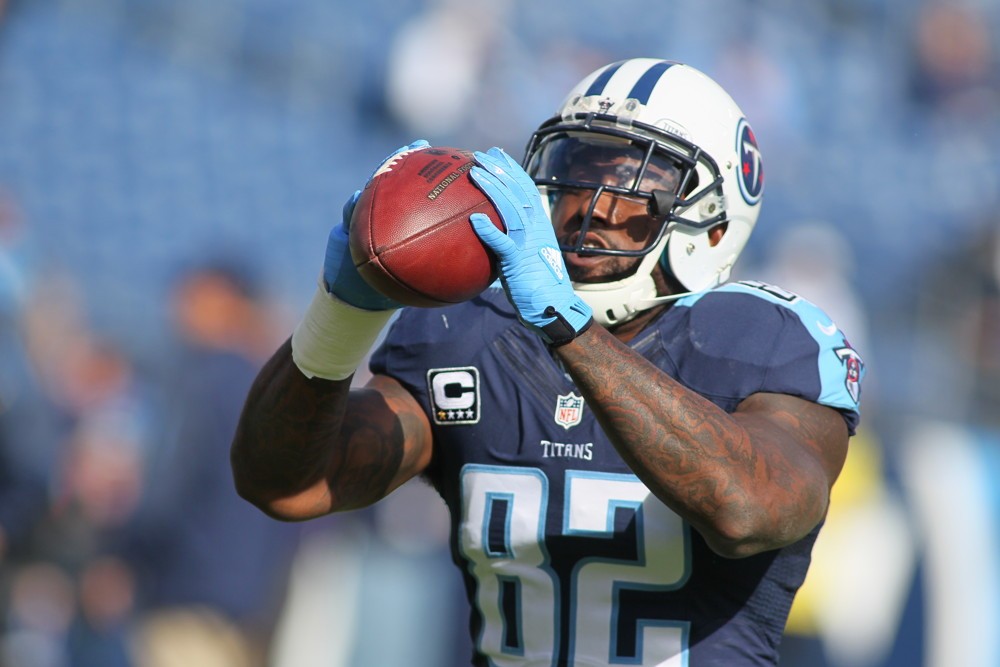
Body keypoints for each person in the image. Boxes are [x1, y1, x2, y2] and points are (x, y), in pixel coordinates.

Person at [231, 58, 865, 666]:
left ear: (716, 223)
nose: (596, 203)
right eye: (581, 168)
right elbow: (287, 486)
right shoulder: (472, 333)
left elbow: (747, 509)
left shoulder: (761, 340)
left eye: (638, 183)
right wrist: (338, 316)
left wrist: (571, 329)